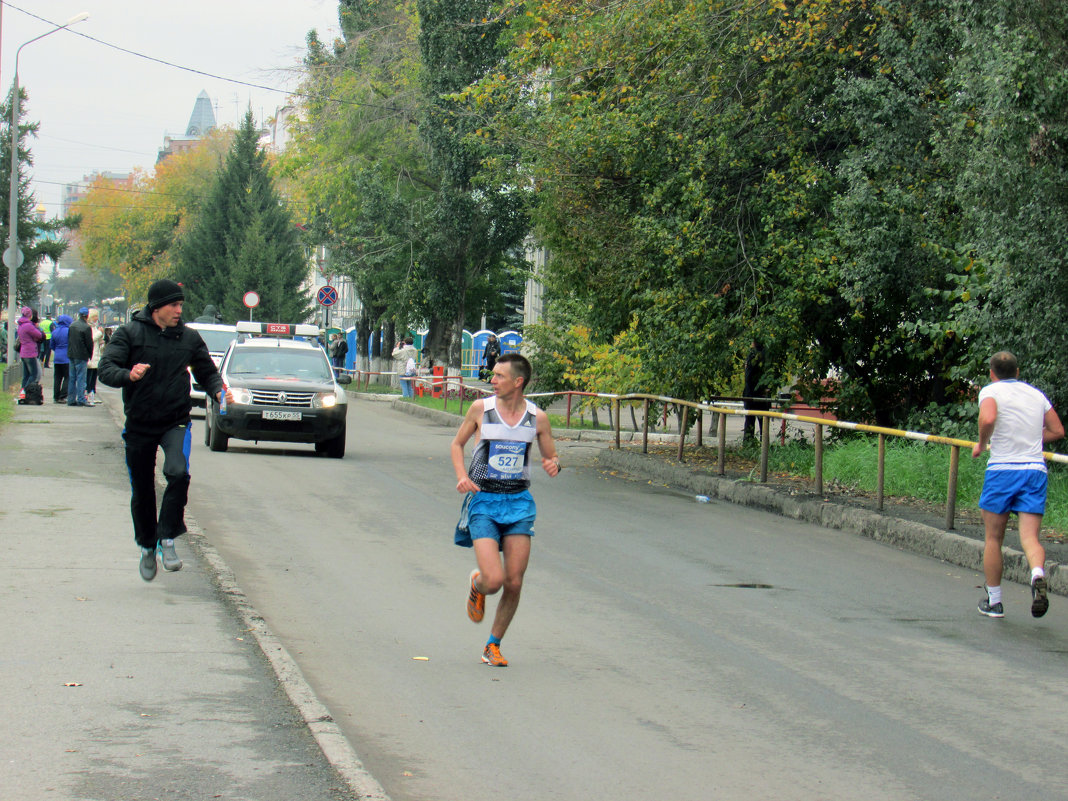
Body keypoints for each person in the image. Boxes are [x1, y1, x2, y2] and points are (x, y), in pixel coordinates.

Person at [98, 279, 229, 582]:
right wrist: (128, 374)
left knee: (178, 473)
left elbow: (207, 372)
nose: (179, 311)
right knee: (142, 489)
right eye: (174, 305)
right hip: (140, 424)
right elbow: (107, 369)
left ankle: (167, 539)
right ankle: (147, 545)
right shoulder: (129, 334)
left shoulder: (189, 338)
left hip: (175, 421)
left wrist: (218, 391)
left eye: (181, 305)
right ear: (157, 307)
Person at [450, 353, 561, 666]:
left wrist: (554, 464)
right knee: (494, 580)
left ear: (518, 382)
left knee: (514, 581)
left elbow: (552, 455)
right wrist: (462, 476)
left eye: (499, 376)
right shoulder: (480, 410)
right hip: (484, 501)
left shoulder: (537, 418)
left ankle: (492, 645)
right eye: (493, 375)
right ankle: (478, 585)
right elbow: (457, 444)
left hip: (519, 503)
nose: (493, 381)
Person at [971, 351, 1064, 619]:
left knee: (993, 538)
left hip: (1003, 470)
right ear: (1018, 372)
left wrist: (981, 444)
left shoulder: (991, 391)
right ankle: (1037, 574)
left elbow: (988, 419)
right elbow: (1057, 430)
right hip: (1034, 471)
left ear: (992, 373)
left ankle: (995, 602)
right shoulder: (1036, 394)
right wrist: (1031, 440)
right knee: (1030, 538)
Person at [742, 341, 771, 441]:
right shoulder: (768, 355)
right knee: (764, 422)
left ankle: (749, 444)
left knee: (750, 421)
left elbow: (748, 377)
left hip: (752, 394)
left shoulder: (753, 355)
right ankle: (764, 445)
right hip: (763, 394)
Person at [67, 307, 94, 407]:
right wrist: (90, 355)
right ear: (86, 316)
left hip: (71, 354)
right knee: (81, 378)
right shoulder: (86, 328)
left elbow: (69, 339)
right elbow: (89, 343)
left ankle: (70, 399)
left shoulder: (72, 326)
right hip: (81, 355)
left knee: (72, 378)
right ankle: (81, 399)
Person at [16, 307, 43, 389]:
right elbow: (39, 335)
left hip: (23, 352)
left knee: (26, 375)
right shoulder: (28, 325)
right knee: (34, 374)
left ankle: (22, 393)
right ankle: (27, 391)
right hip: (30, 352)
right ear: (30, 315)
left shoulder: (21, 325)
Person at [50, 314, 72, 403]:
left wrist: (57, 350)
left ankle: (56, 396)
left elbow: (51, 345)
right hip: (66, 357)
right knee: (68, 377)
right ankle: (63, 396)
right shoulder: (69, 331)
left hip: (57, 357)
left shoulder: (55, 331)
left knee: (57, 377)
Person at [86, 309, 105, 404]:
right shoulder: (88, 327)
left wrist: (101, 336)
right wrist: (100, 333)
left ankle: (92, 394)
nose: (97, 319)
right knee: (89, 376)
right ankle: (88, 394)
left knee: (93, 376)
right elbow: (91, 339)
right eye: (95, 316)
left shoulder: (94, 327)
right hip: (91, 355)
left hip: (96, 355)